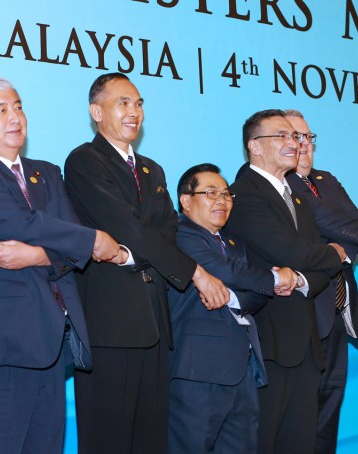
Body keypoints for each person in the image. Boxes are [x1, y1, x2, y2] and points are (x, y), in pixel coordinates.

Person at [64, 72, 229, 454]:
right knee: (109, 437)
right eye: (123, 103)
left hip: (155, 322)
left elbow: (167, 228)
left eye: (138, 104)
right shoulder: (84, 161)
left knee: (151, 437)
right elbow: (128, 224)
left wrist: (130, 254)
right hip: (110, 325)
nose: (133, 112)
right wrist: (195, 273)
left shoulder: (152, 169)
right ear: (96, 112)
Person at [0, 76, 121, 453]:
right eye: (2, 109)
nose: (15, 117)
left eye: (19, 106)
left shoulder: (47, 171)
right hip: (0, 344)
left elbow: (67, 236)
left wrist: (35, 254)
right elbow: (18, 224)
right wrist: (90, 241)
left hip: (53, 341)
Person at [224, 109, 346, 453]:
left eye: (296, 137)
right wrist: (335, 254)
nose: (294, 143)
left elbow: (313, 265)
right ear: (255, 146)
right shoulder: (242, 195)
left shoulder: (296, 197)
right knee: (266, 440)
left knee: (301, 441)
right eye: (282, 136)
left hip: (306, 341)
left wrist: (307, 279)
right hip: (269, 341)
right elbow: (294, 251)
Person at [168, 163, 300, 453]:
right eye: (211, 193)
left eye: (227, 195)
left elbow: (258, 295)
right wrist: (273, 278)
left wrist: (230, 297)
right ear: (186, 201)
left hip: (243, 366)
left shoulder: (234, 241)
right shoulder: (178, 233)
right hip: (198, 369)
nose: (221, 200)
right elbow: (228, 271)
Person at [284, 109, 358, 453]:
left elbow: (355, 227)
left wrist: (340, 251)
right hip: (301, 311)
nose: (303, 144)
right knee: (301, 414)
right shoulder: (277, 185)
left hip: (337, 310)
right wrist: (335, 244)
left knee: (331, 406)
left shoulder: (328, 181)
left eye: (307, 136)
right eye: (293, 136)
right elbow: (306, 239)